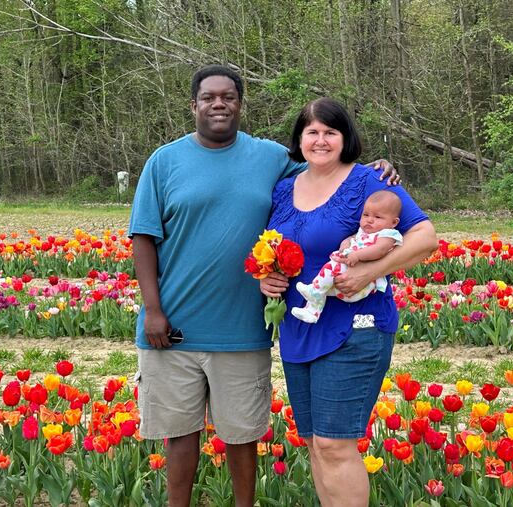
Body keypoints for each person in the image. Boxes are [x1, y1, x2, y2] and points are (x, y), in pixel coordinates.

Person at [129, 66, 399, 507]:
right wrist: (153, 310)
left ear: (240, 104)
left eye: (229, 96)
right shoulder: (164, 161)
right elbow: (143, 237)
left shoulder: (270, 157)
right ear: (193, 105)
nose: (219, 103)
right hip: (173, 325)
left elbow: (326, 168)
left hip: (242, 328)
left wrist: (374, 168)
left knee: (241, 435)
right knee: (178, 435)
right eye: (209, 97)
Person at [260, 97, 437, 507]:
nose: (321, 140)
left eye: (330, 132)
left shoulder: (369, 181)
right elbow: (277, 248)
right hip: (299, 327)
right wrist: (267, 278)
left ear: (345, 138)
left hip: (354, 328)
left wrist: (370, 272)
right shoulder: (284, 188)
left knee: (335, 444)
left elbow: (425, 237)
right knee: (315, 444)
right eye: (312, 132)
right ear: (299, 139)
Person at [292, 190, 403, 323]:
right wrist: (345, 244)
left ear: (394, 222)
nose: (369, 220)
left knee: (331, 269)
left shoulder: (388, 235)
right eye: (366, 214)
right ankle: (312, 312)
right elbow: (352, 238)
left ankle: (314, 290)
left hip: (361, 285)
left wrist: (356, 255)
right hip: (345, 280)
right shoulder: (364, 232)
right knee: (323, 288)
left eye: (378, 217)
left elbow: (378, 250)